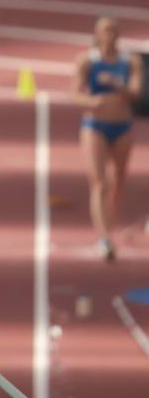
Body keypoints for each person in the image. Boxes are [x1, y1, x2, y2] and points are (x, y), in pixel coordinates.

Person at [73, 16, 143, 261]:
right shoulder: (87, 61)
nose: (110, 34)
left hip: (122, 127)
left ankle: (108, 225)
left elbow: (135, 93)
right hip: (95, 126)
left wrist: (116, 85)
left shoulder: (129, 61)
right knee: (100, 182)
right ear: (97, 33)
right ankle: (104, 237)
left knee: (118, 181)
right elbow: (76, 94)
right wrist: (92, 101)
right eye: (106, 30)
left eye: (114, 30)